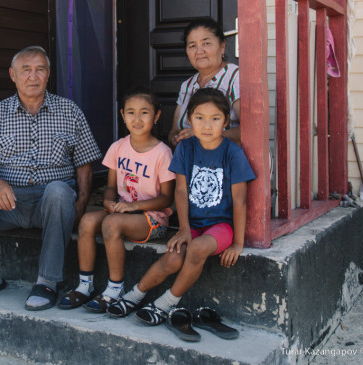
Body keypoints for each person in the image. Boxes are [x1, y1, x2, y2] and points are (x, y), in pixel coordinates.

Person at [0, 46, 102, 311]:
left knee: (59, 190)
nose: (33, 76)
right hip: (8, 203)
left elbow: (85, 165)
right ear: (13, 75)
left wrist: (80, 206)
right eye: (26, 70)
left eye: (40, 69)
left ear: (48, 74)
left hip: (51, 203)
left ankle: (47, 282)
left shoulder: (69, 111)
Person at [106, 88, 255, 340]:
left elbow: (240, 200)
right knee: (173, 258)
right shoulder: (186, 148)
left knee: (196, 249)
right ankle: (134, 296)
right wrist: (184, 228)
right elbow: (181, 191)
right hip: (192, 224)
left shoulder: (233, 152)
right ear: (189, 119)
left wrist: (238, 243)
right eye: (199, 118)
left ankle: (165, 303)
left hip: (221, 226)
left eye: (215, 118)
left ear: (226, 121)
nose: (206, 125)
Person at [58, 88, 175, 313]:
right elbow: (111, 187)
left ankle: (115, 289)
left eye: (144, 112)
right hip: (123, 211)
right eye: (131, 112)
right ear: (122, 115)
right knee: (87, 221)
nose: (137, 119)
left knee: (111, 224)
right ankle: (85, 285)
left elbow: (166, 199)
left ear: (157, 116)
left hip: (152, 219)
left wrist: (134, 206)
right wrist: (108, 202)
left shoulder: (162, 153)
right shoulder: (118, 147)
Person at [168, 18, 241, 148]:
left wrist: (204, 136)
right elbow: (174, 131)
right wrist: (176, 139)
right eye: (192, 46)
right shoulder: (187, 85)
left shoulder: (235, 77)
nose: (199, 51)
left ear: (222, 46)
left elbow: (250, 131)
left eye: (206, 43)